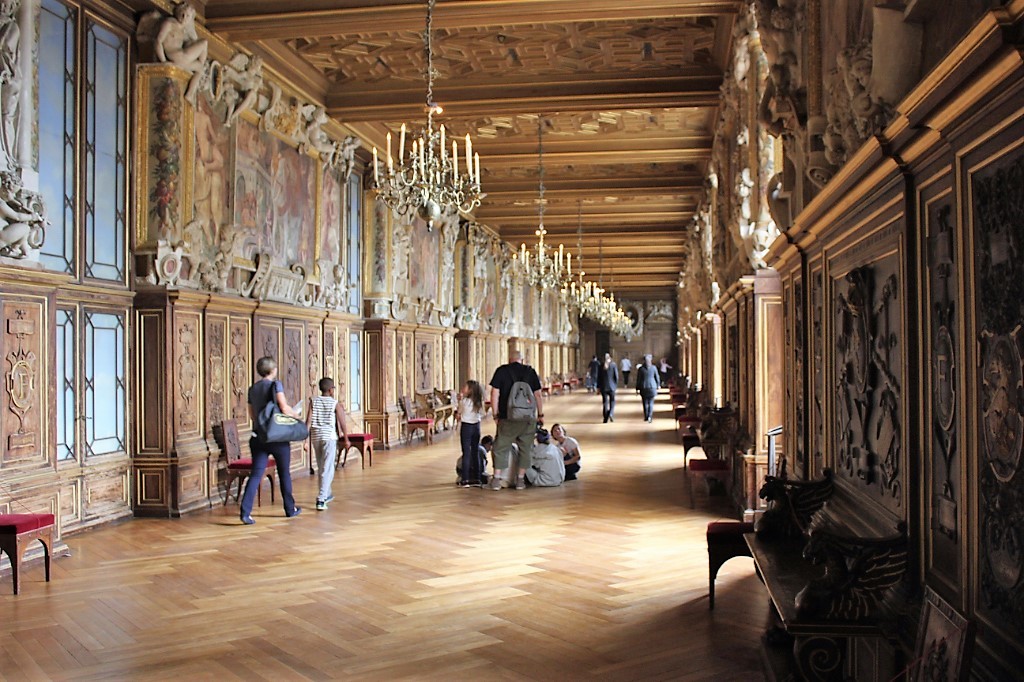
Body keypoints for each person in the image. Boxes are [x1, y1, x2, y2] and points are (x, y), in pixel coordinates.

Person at [241, 356, 302, 524]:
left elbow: (252, 414)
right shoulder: (276, 385)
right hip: (277, 437)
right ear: (273, 370)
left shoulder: (252, 389)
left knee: (255, 475)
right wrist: (296, 414)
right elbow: (283, 407)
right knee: (284, 474)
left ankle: (245, 512)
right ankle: (290, 509)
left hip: (258, 436)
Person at [488, 349, 543, 491]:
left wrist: (495, 414)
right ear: (522, 360)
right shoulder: (530, 372)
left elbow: (495, 394)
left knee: (501, 447)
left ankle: (497, 479)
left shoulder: (501, 371)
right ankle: (520, 480)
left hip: (507, 418)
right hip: (528, 419)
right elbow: (538, 395)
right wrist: (540, 414)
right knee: (526, 448)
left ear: (509, 359)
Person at [305, 377, 350, 511]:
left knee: (321, 467)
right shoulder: (334, 403)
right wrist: (346, 439)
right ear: (331, 390)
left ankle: (327, 493)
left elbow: (307, 422)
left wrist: (305, 441)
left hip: (316, 437)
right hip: (329, 438)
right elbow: (342, 423)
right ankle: (321, 499)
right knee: (328, 469)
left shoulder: (313, 401)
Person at [456, 380, 486, 487]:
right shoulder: (478, 402)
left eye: (465, 387)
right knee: (475, 451)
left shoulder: (464, 402)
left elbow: (459, 413)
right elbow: (483, 414)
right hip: (476, 427)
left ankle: (465, 479)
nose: (463, 388)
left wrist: (459, 400)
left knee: (466, 452)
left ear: (470, 390)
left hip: (466, 427)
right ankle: (477, 478)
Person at [636, 355, 661, 423]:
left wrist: (637, 389)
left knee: (645, 403)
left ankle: (646, 416)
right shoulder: (654, 368)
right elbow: (657, 377)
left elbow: (638, 379)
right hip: (652, 387)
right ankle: (650, 416)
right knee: (651, 403)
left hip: (643, 387)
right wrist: (658, 385)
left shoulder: (641, 369)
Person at [597, 352, 619, 423]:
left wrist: (598, 387)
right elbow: (616, 377)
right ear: (610, 358)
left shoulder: (601, 366)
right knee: (612, 401)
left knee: (605, 402)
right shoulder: (613, 365)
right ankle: (611, 413)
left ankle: (605, 417)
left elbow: (599, 377)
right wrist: (615, 385)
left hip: (603, 387)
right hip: (612, 387)